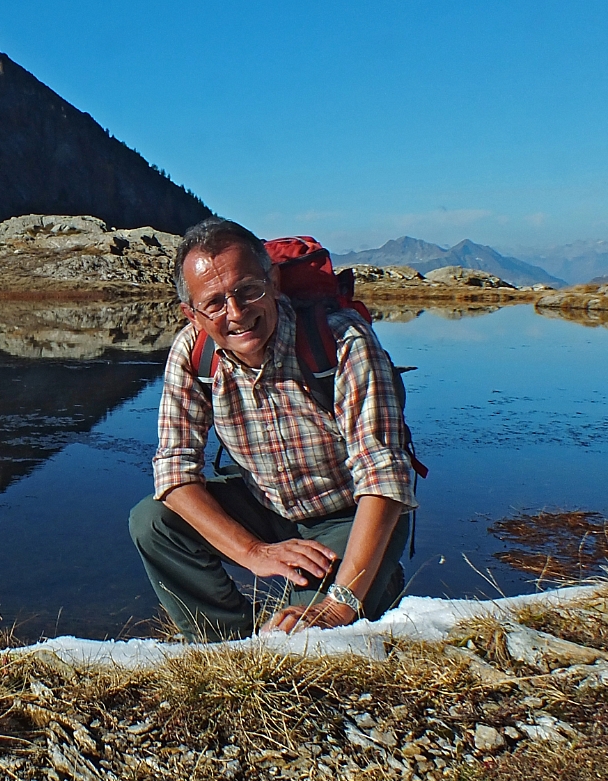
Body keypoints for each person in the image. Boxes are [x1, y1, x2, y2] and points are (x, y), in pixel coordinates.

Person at [128, 217, 416, 642]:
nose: (237, 314)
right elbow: (174, 473)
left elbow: (383, 475)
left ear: (274, 280)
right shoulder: (192, 352)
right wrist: (253, 552)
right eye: (215, 303)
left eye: (248, 291)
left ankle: (372, 585)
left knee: (303, 638)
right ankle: (226, 643)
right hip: (265, 505)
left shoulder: (342, 343)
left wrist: (340, 605)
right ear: (192, 313)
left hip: (350, 514)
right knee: (152, 521)